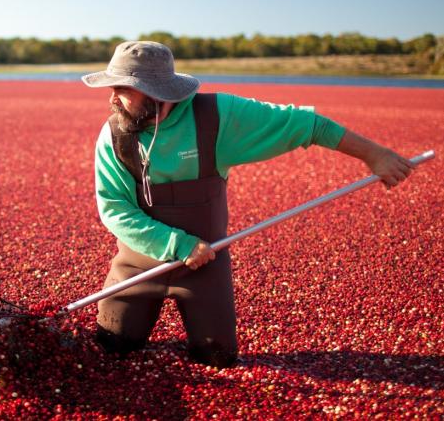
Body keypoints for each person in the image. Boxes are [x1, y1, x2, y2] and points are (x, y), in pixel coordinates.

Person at [81, 40, 415, 368]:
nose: (112, 98)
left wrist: (375, 155)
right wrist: (178, 244)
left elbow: (305, 124)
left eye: (123, 88)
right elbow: (115, 208)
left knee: (218, 357)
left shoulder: (217, 117)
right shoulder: (114, 135)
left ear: (156, 91)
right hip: (137, 265)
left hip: (205, 264)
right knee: (113, 347)